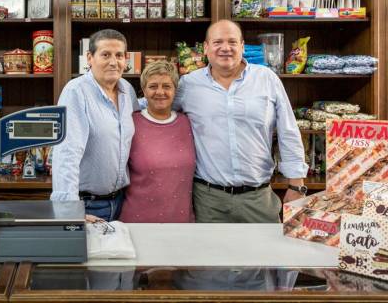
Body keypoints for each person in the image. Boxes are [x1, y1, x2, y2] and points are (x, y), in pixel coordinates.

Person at [174, 19, 308, 223]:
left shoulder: (267, 79)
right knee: (210, 255)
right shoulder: (189, 84)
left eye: (232, 42)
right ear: (206, 47)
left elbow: (288, 131)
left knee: (267, 255)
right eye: (218, 42)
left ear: (242, 46)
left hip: (259, 198)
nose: (225, 48)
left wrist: (297, 185)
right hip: (208, 201)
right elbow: (158, 110)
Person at [51, 29, 139, 222]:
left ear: (126, 59)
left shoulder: (127, 90)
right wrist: (70, 213)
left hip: (122, 202)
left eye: (119, 55)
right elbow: (66, 155)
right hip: (87, 206)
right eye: (105, 55)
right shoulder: (76, 92)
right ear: (90, 58)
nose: (113, 62)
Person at [119, 60, 195, 223]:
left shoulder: (187, 123)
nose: (160, 92)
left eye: (167, 86)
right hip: (137, 223)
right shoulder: (130, 123)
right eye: (153, 86)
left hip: (182, 222)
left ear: (175, 90)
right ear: (144, 91)